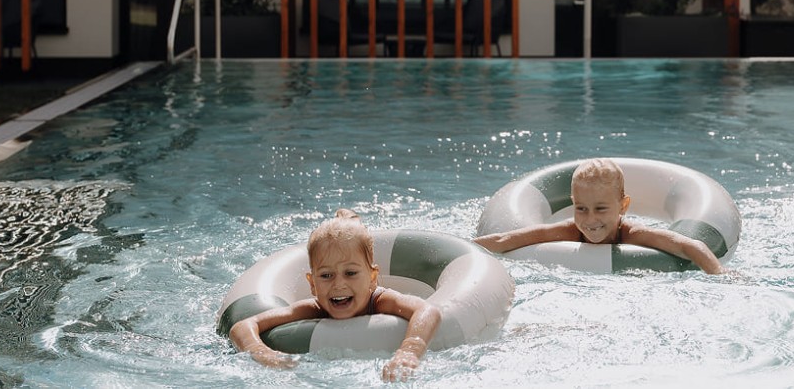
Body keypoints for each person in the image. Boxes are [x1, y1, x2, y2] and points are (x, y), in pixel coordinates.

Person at [229, 209, 442, 380]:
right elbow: (243, 326)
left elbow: (427, 310)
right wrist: (259, 350)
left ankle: (351, 218)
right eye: (326, 275)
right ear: (312, 285)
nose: (338, 284)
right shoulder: (312, 308)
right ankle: (347, 220)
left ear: (372, 277)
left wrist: (410, 349)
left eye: (350, 273)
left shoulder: (381, 300)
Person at [474, 158, 725, 274]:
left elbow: (691, 244)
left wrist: (720, 276)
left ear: (623, 206)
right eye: (581, 208)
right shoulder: (568, 230)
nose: (590, 220)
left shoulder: (633, 234)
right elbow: (503, 240)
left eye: (601, 209)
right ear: (572, 204)